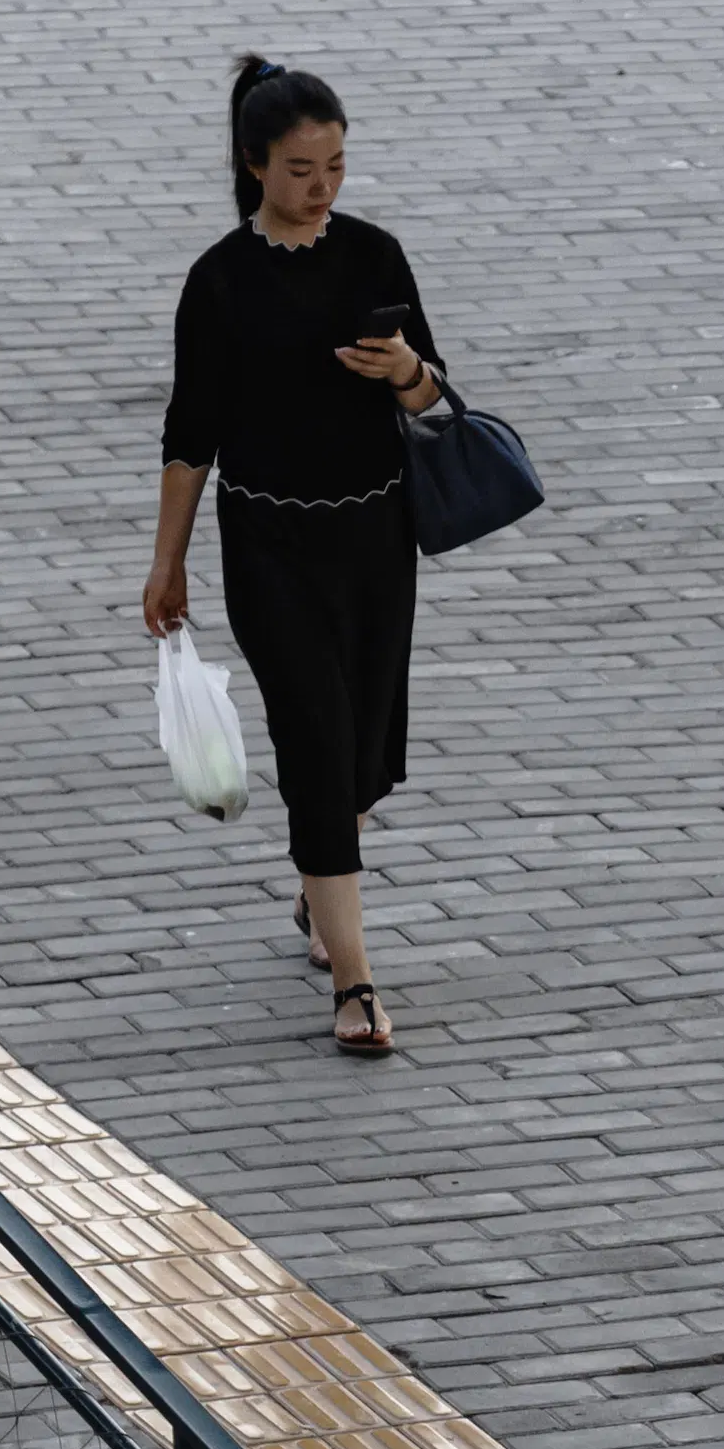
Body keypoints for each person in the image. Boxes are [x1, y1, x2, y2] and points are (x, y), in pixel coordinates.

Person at [142, 56, 451, 1062]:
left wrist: (406, 370)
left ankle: (319, 876)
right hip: (270, 545)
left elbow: (431, 396)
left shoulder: (375, 257)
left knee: (363, 752)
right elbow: (190, 436)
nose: (323, 186)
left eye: (336, 166)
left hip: (375, 539)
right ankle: (356, 986)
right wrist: (168, 565)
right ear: (255, 166)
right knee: (318, 745)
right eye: (302, 168)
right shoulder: (220, 283)